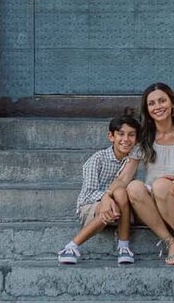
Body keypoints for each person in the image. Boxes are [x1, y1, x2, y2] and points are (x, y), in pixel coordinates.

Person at [126, 82, 174, 266]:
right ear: (147, 109)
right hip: (152, 201)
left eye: (162, 101)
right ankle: (170, 242)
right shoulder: (144, 137)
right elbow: (124, 178)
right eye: (152, 103)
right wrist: (108, 197)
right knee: (133, 187)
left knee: (161, 185)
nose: (157, 107)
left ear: (172, 103)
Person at [57, 112, 140, 264]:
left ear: (137, 139)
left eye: (131, 135)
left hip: (124, 209)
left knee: (120, 193)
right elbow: (88, 193)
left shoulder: (134, 161)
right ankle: (71, 247)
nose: (126, 139)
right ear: (111, 137)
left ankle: (123, 247)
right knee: (110, 203)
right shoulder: (97, 159)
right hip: (91, 208)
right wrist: (105, 199)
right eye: (121, 134)